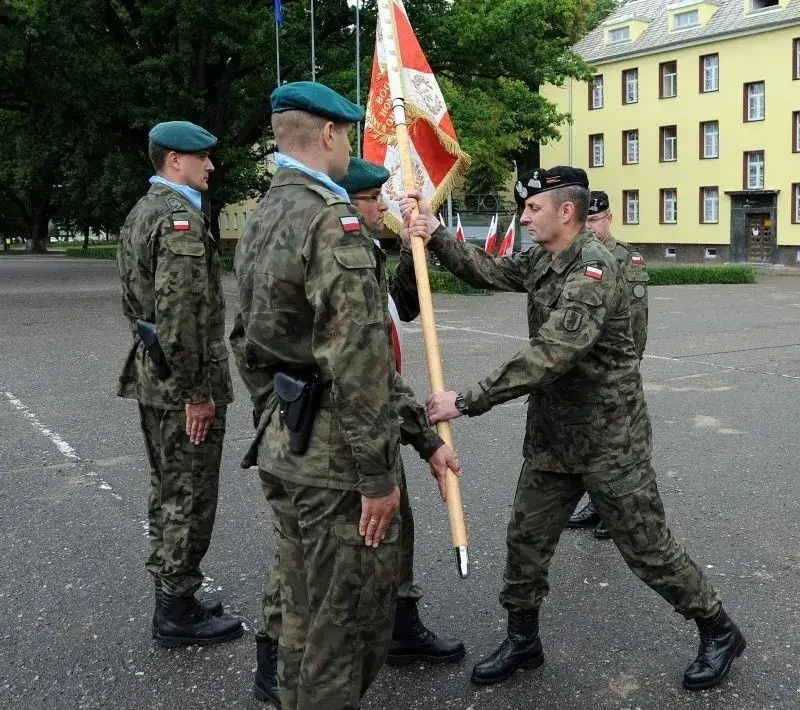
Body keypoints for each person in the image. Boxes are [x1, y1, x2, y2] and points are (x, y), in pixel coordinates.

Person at [400, 166, 745, 692]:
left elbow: (553, 352)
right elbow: (489, 270)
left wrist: (466, 400)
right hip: (554, 437)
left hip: (610, 439)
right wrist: (435, 231)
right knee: (525, 541)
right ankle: (523, 639)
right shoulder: (543, 256)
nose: (524, 216)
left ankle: (718, 629)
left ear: (567, 211)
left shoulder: (594, 269)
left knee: (647, 548)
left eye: (533, 208)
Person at [230, 82, 460, 710]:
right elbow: (360, 364)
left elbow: (243, 339)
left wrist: (279, 409)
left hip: (288, 440)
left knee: (303, 613)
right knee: (348, 625)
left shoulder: (261, 217)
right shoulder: (333, 222)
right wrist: (379, 477)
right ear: (329, 134)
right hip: (336, 461)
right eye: (348, 133)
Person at [117, 121, 242, 647]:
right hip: (181, 384)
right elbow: (181, 317)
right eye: (202, 158)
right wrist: (197, 393)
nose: (210, 166)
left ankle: (176, 594)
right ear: (175, 161)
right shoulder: (178, 221)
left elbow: (137, 304)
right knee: (189, 493)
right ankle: (176, 609)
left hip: (154, 377)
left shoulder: (142, 212)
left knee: (168, 488)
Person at [567, 190, 650, 539]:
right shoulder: (578, 256)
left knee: (617, 449)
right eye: (587, 220)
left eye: (597, 219)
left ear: (609, 218)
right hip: (584, 370)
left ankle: (617, 517)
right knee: (589, 443)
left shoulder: (626, 259)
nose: (591, 226)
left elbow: (638, 323)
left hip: (614, 371)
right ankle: (597, 507)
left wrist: (626, 366)